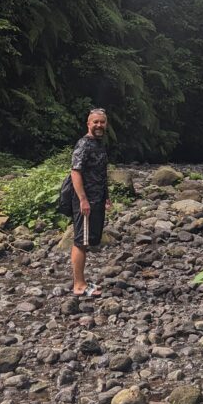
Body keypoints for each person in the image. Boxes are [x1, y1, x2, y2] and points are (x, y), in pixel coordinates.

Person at [70, 107, 111, 296]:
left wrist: (106, 197)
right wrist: (83, 200)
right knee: (80, 241)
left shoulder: (99, 144)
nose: (99, 125)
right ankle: (78, 285)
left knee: (86, 241)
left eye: (102, 122)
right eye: (95, 122)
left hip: (97, 199)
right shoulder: (84, 144)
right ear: (88, 124)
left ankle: (83, 281)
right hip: (85, 202)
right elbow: (75, 172)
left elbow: (100, 173)